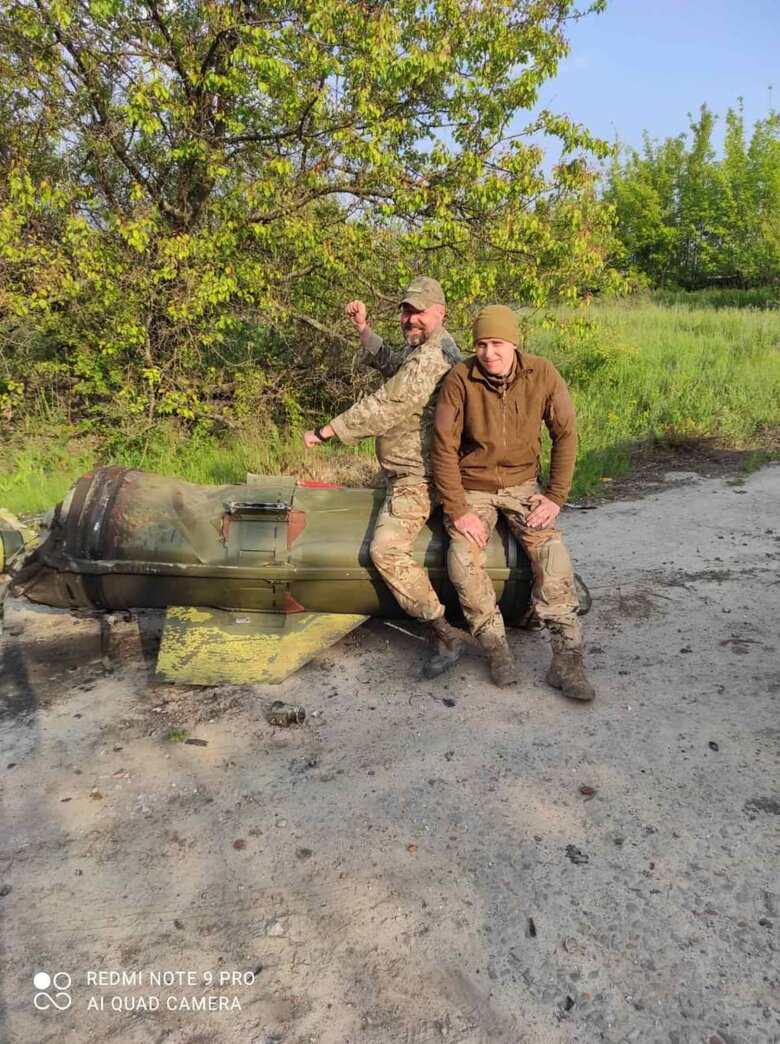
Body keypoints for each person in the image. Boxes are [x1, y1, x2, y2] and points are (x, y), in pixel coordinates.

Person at [303, 277, 466, 678]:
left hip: (419, 476)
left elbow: (388, 404)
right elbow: (397, 368)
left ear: (440, 313)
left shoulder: (433, 357)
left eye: (419, 312)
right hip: (403, 468)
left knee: (385, 550)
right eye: (406, 311)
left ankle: (442, 630)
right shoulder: (426, 348)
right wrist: (364, 330)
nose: (410, 319)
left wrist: (328, 431)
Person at [431, 304, 595, 700]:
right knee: (461, 558)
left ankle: (567, 660)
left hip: (523, 486)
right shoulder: (460, 379)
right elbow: (443, 447)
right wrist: (458, 510)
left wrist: (554, 497)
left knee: (553, 557)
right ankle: (495, 647)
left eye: (497, 344)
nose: (489, 353)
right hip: (474, 486)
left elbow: (566, 435)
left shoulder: (543, 374)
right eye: (481, 345)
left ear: (514, 344)